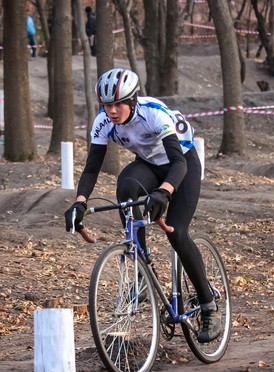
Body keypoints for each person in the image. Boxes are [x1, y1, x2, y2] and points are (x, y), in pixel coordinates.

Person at [64, 68, 221, 343]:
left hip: (180, 166)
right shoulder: (103, 122)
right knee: (126, 186)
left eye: (117, 104)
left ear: (132, 100)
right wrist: (79, 202)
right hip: (149, 164)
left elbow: (179, 163)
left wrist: (164, 192)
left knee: (177, 232)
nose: (111, 111)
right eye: (106, 105)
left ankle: (209, 305)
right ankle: (141, 262)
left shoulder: (154, 114)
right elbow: (91, 169)